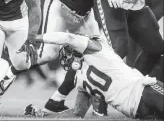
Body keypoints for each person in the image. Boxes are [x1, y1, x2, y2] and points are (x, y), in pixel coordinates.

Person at [24, 32, 164, 120]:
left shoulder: (85, 69)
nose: (68, 57)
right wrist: (45, 115)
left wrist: (35, 37)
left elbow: (76, 114)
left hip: (139, 103)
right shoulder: (96, 54)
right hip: (143, 98)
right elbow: (77, 114)